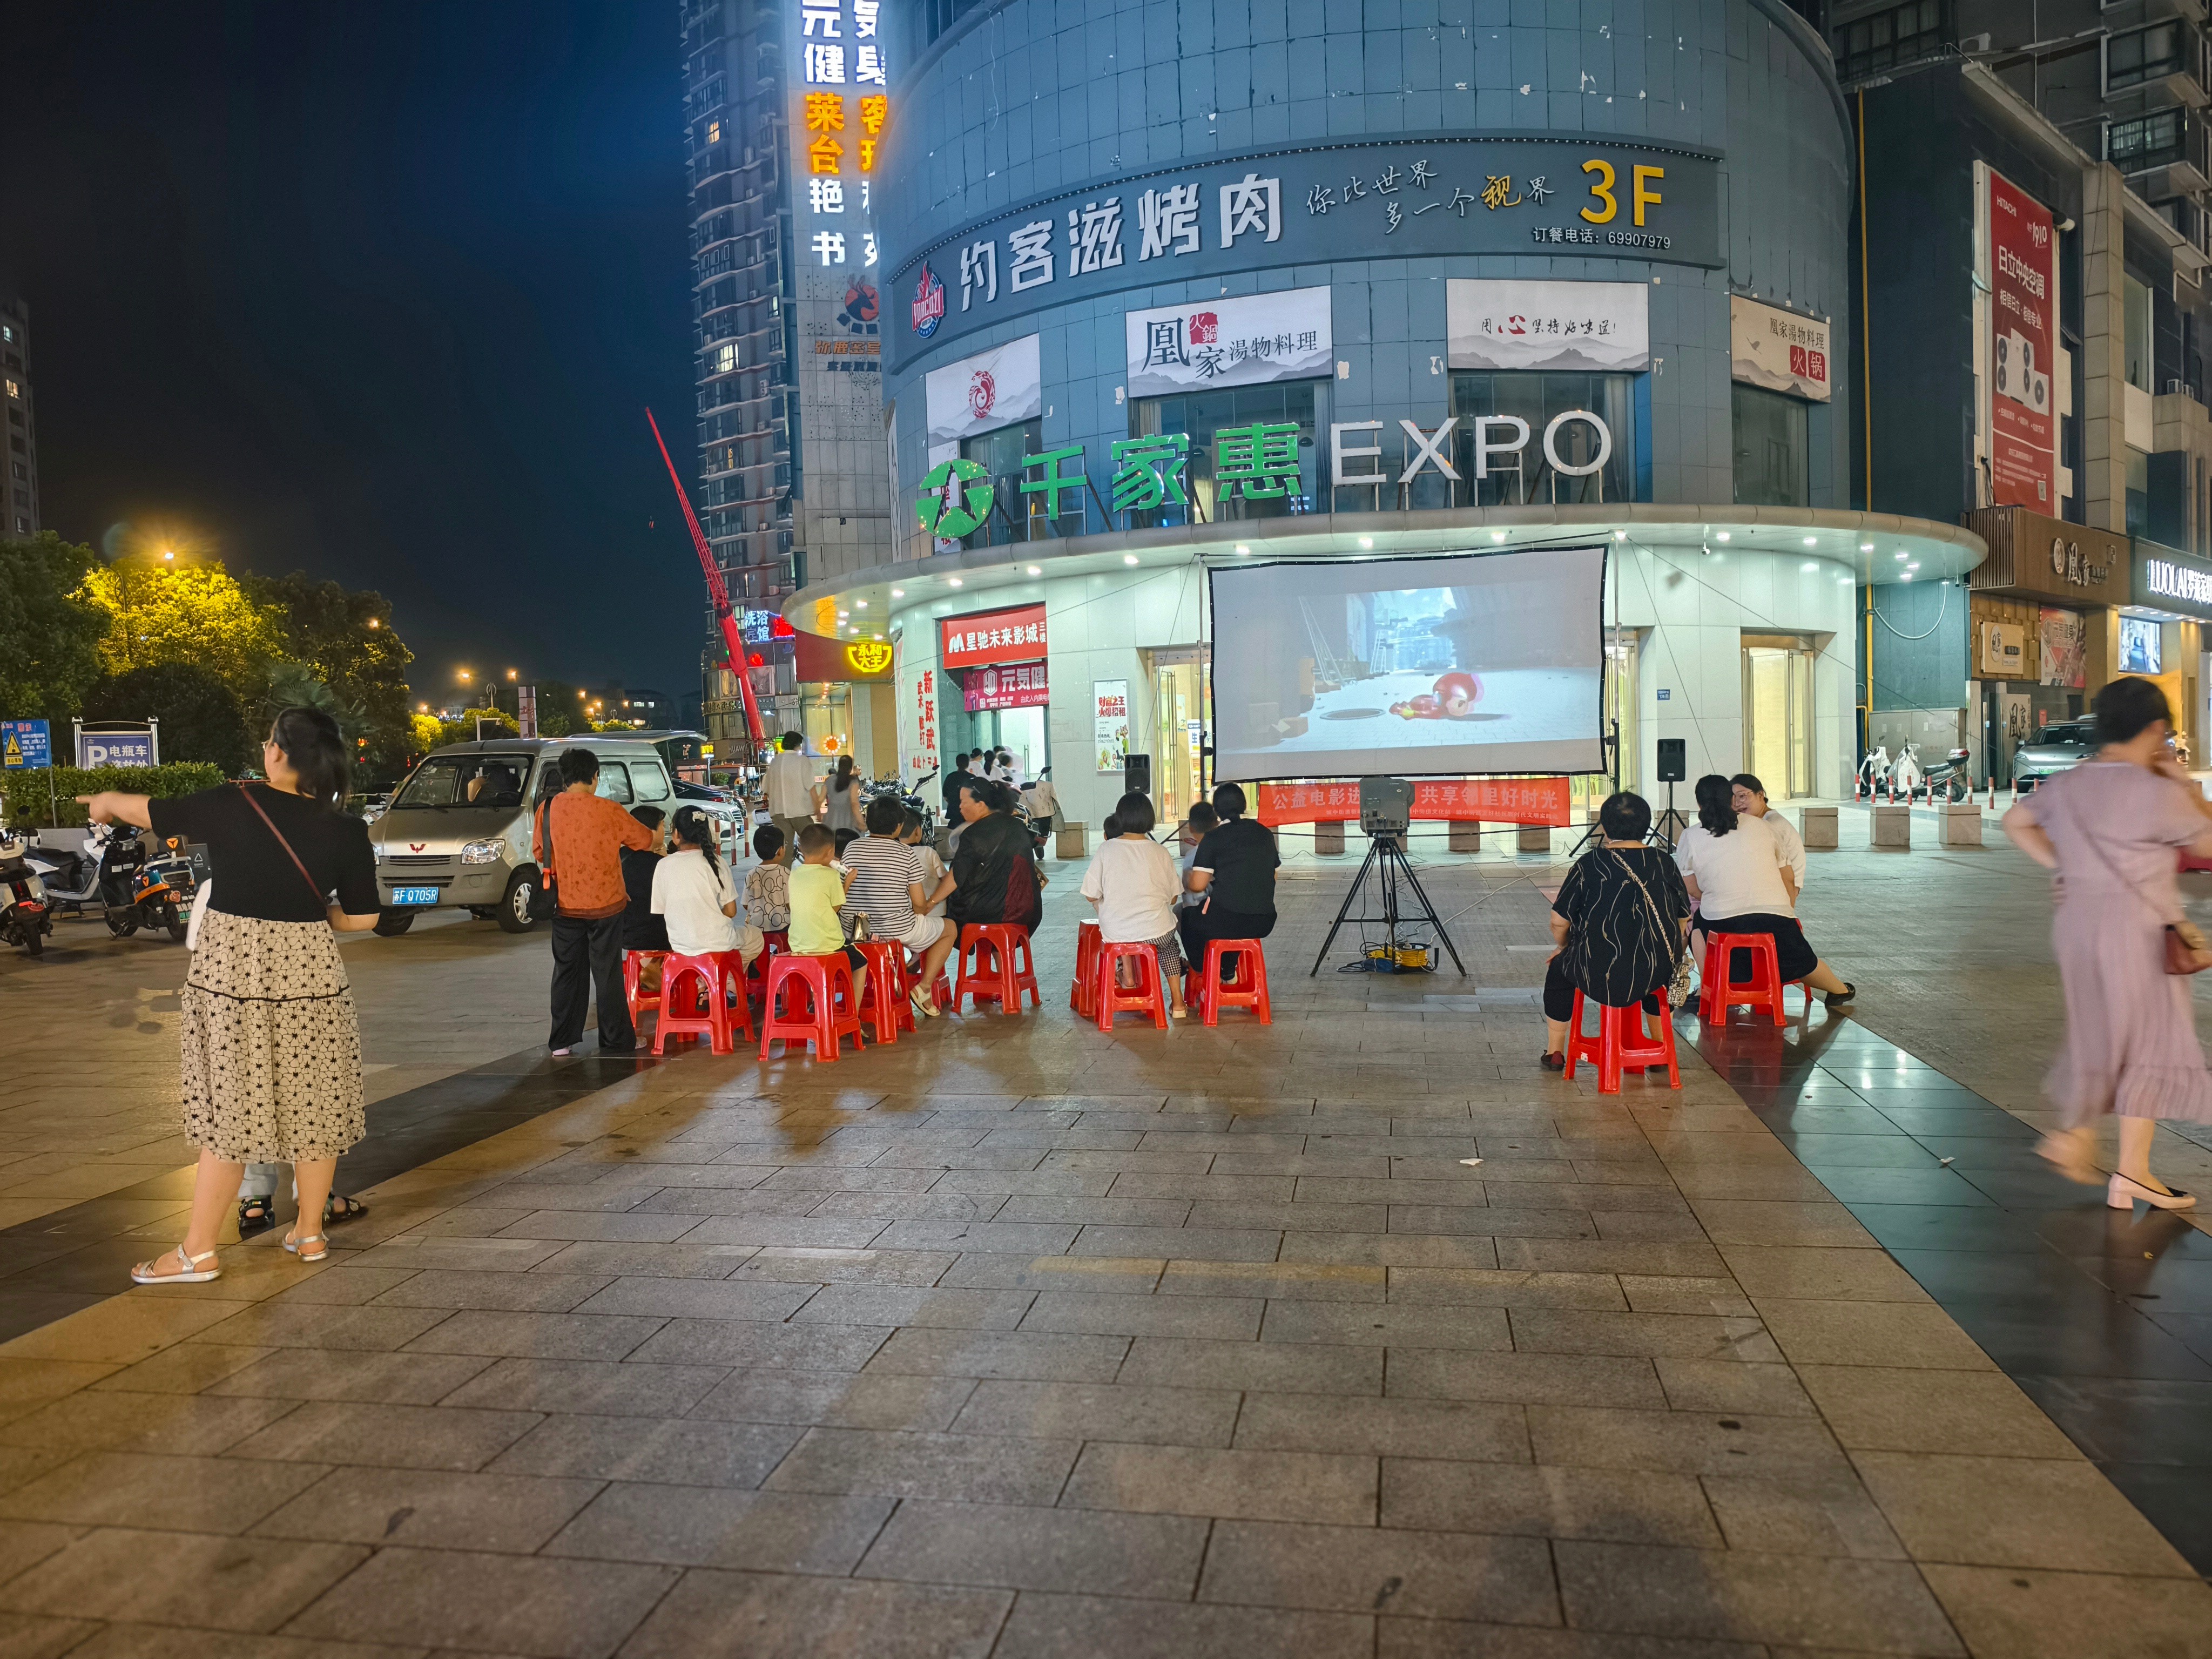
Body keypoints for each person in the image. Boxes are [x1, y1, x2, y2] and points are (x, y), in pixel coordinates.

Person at [79, 709, 382, 1284]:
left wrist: (104, 800)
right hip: (311, 978)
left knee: (232, 1112)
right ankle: (310, 1232)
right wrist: (315, 917)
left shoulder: (232, 803)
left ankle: (197, 1252)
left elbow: (144, 810)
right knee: (314, 1103)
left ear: (275, 753)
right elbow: (364, 917)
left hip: (234, 978)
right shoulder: (346, 828)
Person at [2004, 676, 2212, 1206]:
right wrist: (2183, 784)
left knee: (2101, 1029)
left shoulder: (2072, 783)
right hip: (2138, 930)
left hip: (2077, 923)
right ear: (2157, 728)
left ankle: (2127, 1169)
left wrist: (2063, 866)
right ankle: (2083, 1140)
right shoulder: (2157, 790)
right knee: (2149, 1042)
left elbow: (2015, 821)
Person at [1539, 792, 1691, 1070]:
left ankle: (1555, 1051)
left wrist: (1563, 948)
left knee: (1558, 972)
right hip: (1655, 968)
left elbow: (1559, 920)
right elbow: (1682, 919)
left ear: (1605, 827)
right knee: (1654, 975)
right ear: (1646, 825)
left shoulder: (1590, 863)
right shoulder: (1664, 862)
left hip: (1596, 968)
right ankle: (1659, 1048)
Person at [1675, 773, 1853, 1010]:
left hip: (1722, 920)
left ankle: (1714, 989)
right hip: (1776, 918)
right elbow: (1787, 875)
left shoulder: (1690, 835)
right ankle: (1840, 990)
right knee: (1802, 962)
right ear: (1731, 800)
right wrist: (1786, 911)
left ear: (1698, 805)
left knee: (1697, 925)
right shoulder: (1763, 826)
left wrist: (1713, 893)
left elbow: (1691, 888)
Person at [536, 746, 656, 1056]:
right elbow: (644, 839)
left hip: (564, 904)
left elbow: (540, 852)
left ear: (564, 777)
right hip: (607, 905)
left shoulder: (547, 810)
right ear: (594, 777)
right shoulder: (609, 809)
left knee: (566, 971)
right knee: (607, 973)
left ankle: (561, 1042)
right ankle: (616, 1040)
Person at [846, 793, 959, 1019]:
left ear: (868, 822)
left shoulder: (852, 847)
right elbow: (918, 903)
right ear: (898, 827)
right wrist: (923, 912)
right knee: (950, 929)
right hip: (895, 929)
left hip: (855, 930)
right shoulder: (906, 854)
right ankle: (924, 988)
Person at [1081, 791, 1188, 1017]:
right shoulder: (1160, 851)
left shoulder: (1107, 850)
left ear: (1120, 818)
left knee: (1107, 909)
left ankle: (1126, 972)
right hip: (1156, 932)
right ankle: (1178, 1004)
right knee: (1169, 949)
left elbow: (1091, 895)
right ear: (1150, 818)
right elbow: (1173, 898)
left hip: (1118, 933)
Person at [1180, 783, 1282, 970]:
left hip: (1227, 921)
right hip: (1264, 921)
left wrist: (1187, 879)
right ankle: (1228, 969)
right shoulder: (1264, 833)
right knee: (1231, 917)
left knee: (1187, 915)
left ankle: (1202, 967)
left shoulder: (1214, 838)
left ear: (1217, 811)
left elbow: (1197, 885)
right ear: (1243, 805)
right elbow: (1273, 876)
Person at [652, 804, 764, 966]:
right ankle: (726, 981)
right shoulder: (717, 862)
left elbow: (661, 912)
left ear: (676, 834)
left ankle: (703, 983)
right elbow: (731, 912)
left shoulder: (663, 865)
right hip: (718, 942)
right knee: (756, 936)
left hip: (680, 946)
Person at [947, 778, 1042, 933]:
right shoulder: (1018, 826)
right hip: (1029, 911)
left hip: (992, 913)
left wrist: (931, 902)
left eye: (964, 802)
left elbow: (957, 876)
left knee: (947, 913)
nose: (960, 807)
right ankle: (1002, 955)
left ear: (981, 804)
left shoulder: (975, 833)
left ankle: (922, 956)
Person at [790, 823, 867, 1013]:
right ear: (830, 851)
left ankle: (818, 999)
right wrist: (847, 882)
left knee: (820, 969)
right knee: (861, 962)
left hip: (798, 946)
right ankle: (853, 1014)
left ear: (801, 848)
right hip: (828, 946)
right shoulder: (831, 875)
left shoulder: (795, 873)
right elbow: (836, 908)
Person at [1730, 773, 1805, 893]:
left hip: (1782, 892)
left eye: (1742, 796)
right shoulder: (1763, 821)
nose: (1737, 803)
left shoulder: (1771, 825)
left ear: (1760, 795)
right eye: (1733, 799)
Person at [620, 805, 671, 958]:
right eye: (662, 826)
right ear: (649, 831)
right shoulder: (659, 864)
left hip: (626, 936)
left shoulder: (619, 857)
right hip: (659, 937)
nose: (664, 830)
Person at [764, 731, 816, 852]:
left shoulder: (774, 762)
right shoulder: (802, 760)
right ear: (798, 745)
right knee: (813, 845)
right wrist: (817, 806)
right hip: (800, 812)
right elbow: (811, 787)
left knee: (784, 849)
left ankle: (784, 871)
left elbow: (767, 788)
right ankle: (812, 870)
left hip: (778, 812)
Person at [901, 808, 948, 915]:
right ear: (918, 831)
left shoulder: (894, 853)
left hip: (907, 914)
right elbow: (946, 879)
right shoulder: (928, 852)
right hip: (935, 912)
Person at [745, 823, 792, 930]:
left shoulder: (752, 873)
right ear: (780, 851)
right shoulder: (785, 872)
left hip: (756, 927)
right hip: (782, 925)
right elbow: (789, 902)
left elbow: (746, 904)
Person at [1177, 802, 1220, 910]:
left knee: (1177, 910)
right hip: (1230, 911)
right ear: (1217, 824)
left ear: (1191, 828)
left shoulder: (1192, 857)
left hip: (1204, 914)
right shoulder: (1228, 849)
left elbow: (1191, 901)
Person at [819, 754, 864, 839]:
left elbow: (820, 799)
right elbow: (854, 804)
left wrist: (818, 813)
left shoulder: (829, 780)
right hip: (849, 824)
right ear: (851, 768)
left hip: (831, 824)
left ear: (839, 766)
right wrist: (861, 823)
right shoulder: (853, 781)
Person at [1024, 769, 1058, 844]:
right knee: (1044, 829)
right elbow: (1055, 797)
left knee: (1034, 827)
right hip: (1047, 813)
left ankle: (1037, 838)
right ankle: (1042, 839)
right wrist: (1058, 807)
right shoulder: (1049, 785)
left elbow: (1022, 801)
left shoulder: (1024, 787)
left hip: (1033, 814)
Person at [942, 752, 976, 818]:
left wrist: (954, 802)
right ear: (968, 764)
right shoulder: (972, 777)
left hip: (953, 811)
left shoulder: (950, 777)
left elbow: (945, 796)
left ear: (957, 763)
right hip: (968, 812)